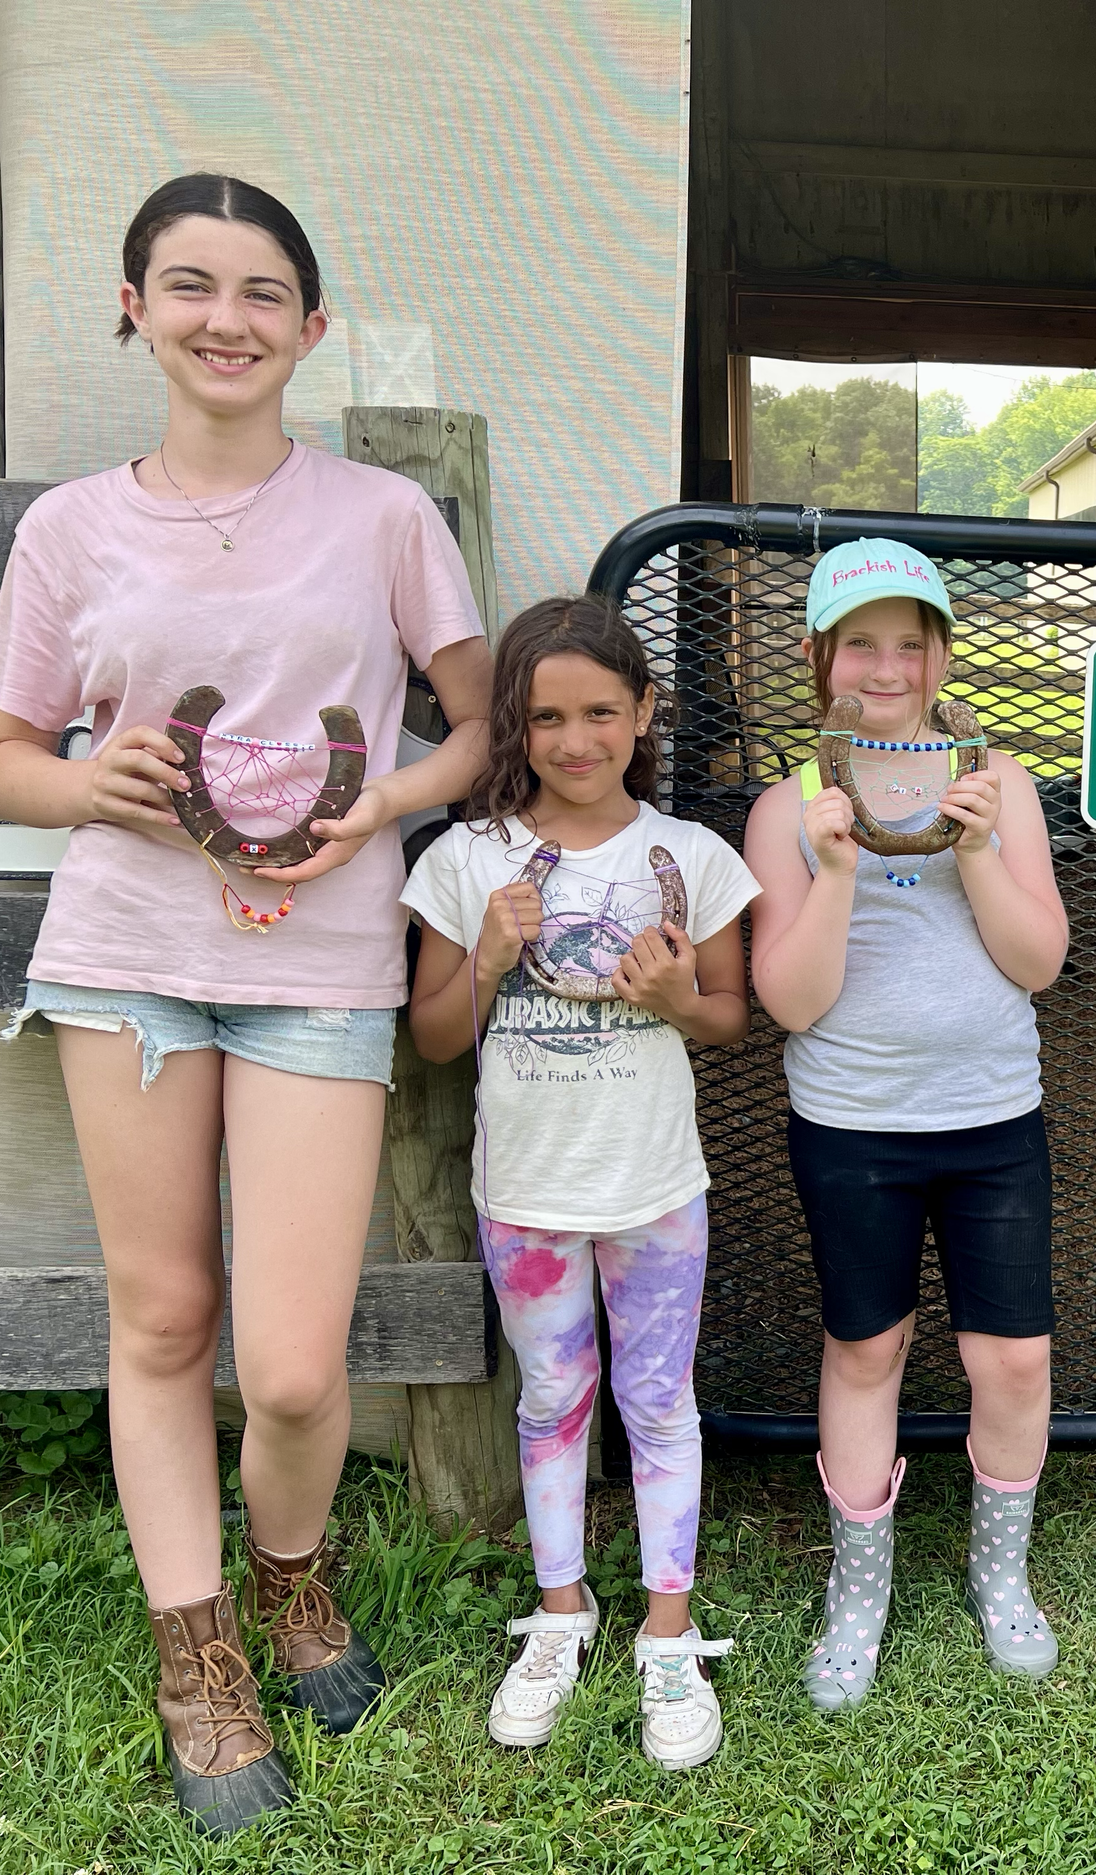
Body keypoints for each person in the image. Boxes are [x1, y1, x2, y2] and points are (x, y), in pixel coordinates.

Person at [0, 173, 491, 1834]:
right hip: (126, 958)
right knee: (162, 1322)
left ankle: (292, 1573)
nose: (226, 317)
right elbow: (3, 758)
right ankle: (199, 1653)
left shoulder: (386, 518)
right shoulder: (70, 531)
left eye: (263, 291)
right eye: (188, 284)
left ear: (309, 327)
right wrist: (86, 782)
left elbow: (473, 729)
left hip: (317, 963)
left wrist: (387, 806)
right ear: (135, 307)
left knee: (284, 1365)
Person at [404, 595, 757, 1770]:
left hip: (655, 1185)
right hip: (529, 1194)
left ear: (643, 712)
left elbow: (729, 1018)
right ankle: (561, 1613)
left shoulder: (695, 860)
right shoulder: (470, 859)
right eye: (547, 716)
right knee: (550, 1398)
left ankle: (667, 1627)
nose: (574, 740)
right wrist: (494, 960)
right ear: (517, 721)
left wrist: (672, 1001)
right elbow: (436, 1038)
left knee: (658, 1403)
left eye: (601, 711)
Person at [743, 537, 1068, 1712]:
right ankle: (858, 1592)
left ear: (940, 652)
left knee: (1012, 1357)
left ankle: (1001, 1575)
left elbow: (1038, 961)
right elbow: (788, 999)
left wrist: (977, 847)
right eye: (860, 642)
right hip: (852, 1120)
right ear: (821, 656)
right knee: (866, 1348)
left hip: (991, 1114)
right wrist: (831, 871)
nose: (886, 666)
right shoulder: (788, 802)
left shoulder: (1001, 780)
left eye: (908, 640)